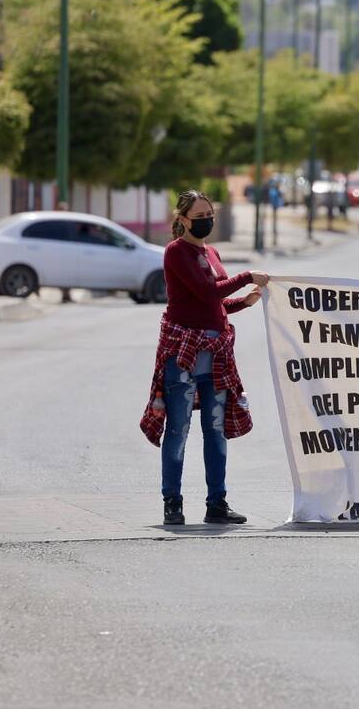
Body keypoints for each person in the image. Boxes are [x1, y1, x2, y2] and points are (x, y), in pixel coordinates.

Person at [140, 189, 269, 526]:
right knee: (179, 427)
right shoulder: (175, 253)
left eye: (208, 215)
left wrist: (245, 302)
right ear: (181, 220)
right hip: (183, 353)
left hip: (216, 355)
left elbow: (214, 305)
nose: (205, 222)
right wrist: (246, 278)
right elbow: (208, 291)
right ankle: (172, 501)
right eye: (198, 218)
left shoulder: (211, 252)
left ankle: (217, 503)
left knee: (215, 428)